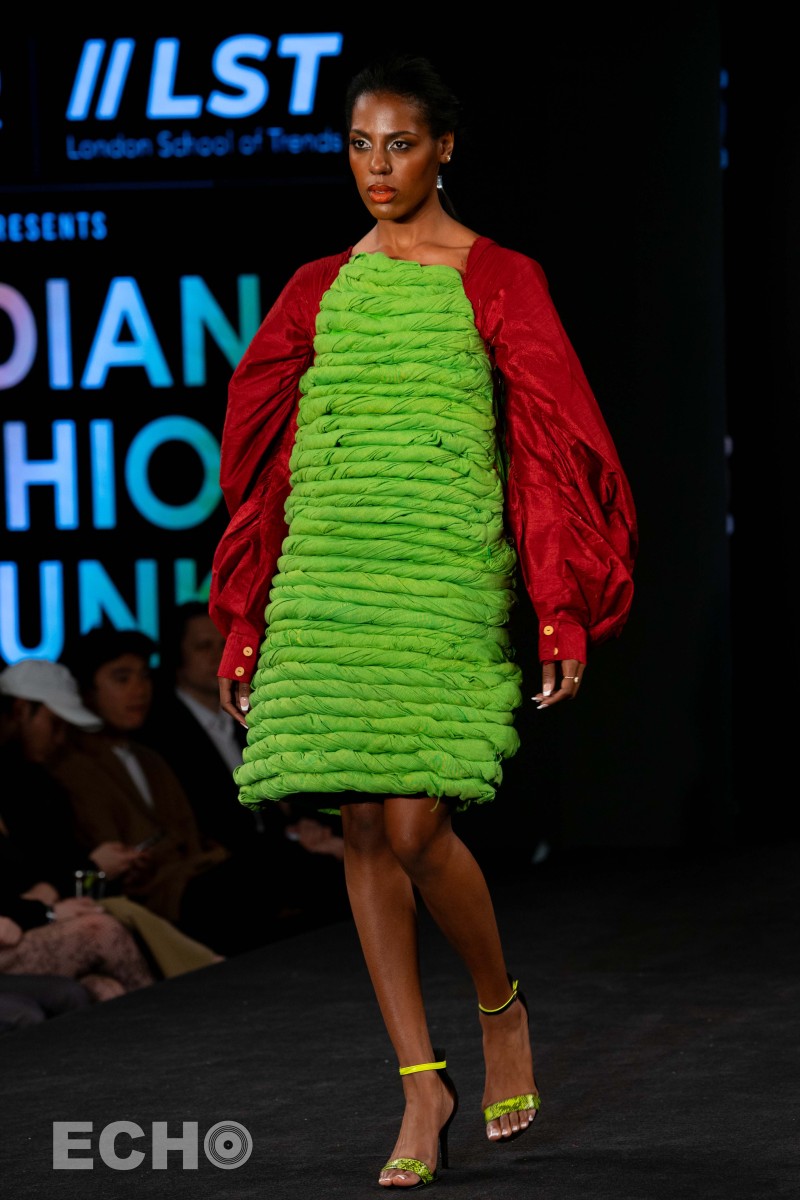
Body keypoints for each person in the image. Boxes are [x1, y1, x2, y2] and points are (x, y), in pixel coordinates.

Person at [209, 55, 638, 1188]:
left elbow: (547, 448)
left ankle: (500, 1009)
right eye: (360, 145)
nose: (378, 167)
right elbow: (265, 465)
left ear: (444, 148)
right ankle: (419, 1086)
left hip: (442, 573)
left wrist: (557, 609)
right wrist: (246, 617)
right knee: (360, 827)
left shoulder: (497, 276)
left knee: (414, 829)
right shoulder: (315, 287)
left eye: (400, 144)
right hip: (329, 574)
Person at [47, 629, 278, 955]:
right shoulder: (72, 766)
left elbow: (188, 832)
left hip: (191, 878)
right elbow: (119, 858)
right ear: (86, 690)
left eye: (144, 676)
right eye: (122, 678)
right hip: (155, 897)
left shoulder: (149, 757)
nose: (139, 690)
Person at [0, 658, 223, 979]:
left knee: (106, 970)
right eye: (55, 724)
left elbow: (54, 870)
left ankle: (205, 977)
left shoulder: (39, 782)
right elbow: (42, 879)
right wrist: (89, 871)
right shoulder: (31, 782)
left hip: (50, 912)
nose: (60, 739)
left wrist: (97, 871)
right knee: (105, 926)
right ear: (21, 710)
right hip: (32, 921)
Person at [140, 600, 350, 933]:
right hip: (220, 862)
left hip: (274, 850)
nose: (218, 656)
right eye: (203, 647)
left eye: (225, 646)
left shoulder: (251, 711)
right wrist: (290, 840)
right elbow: (203, 820)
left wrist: (302, 825)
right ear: (177, 656)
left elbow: (287, 786)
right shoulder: (160, 730)